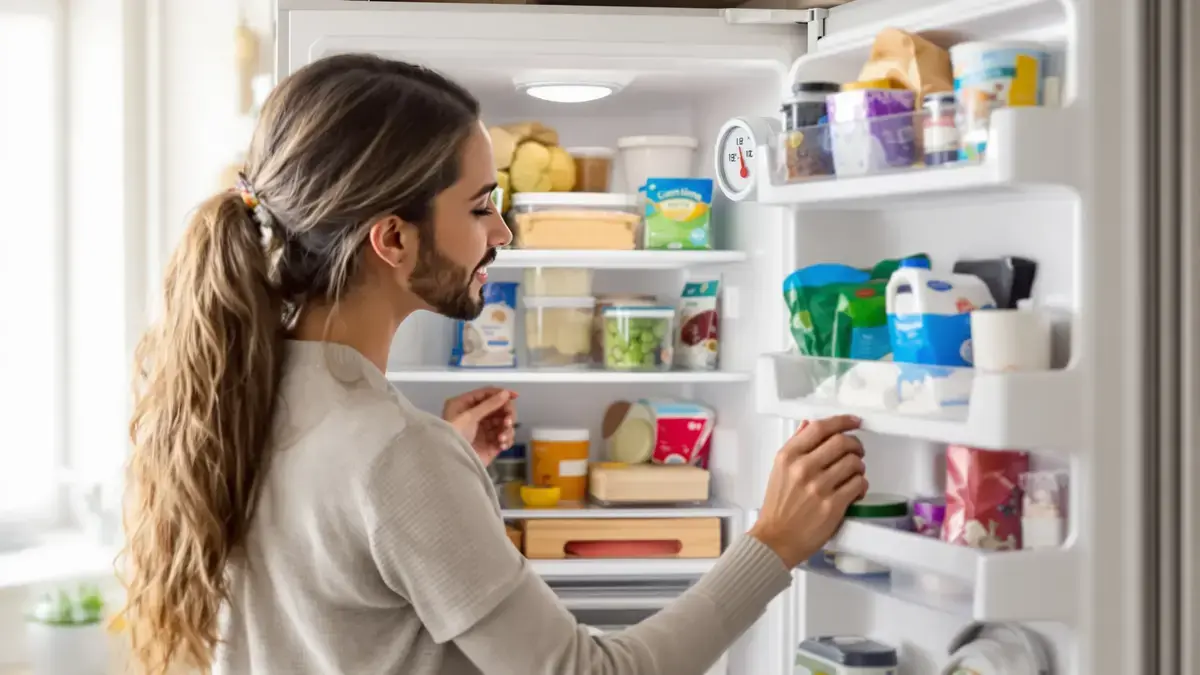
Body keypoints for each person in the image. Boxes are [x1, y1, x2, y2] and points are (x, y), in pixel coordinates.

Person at [121, 53, 869, 675]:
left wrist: (454, 469)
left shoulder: (238, 390)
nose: (503, 230)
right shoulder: (394, 454)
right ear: (393, 240)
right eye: (480, 207)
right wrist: (775, 542)